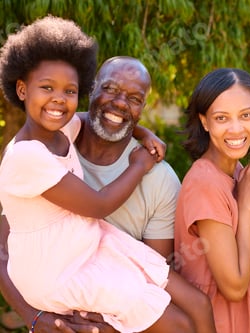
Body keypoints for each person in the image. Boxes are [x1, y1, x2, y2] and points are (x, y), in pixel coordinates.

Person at [0, 16, 215, 333]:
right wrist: (139, 165)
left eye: (68, 91)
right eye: (47, 88)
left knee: (198, 304)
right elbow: (99, 206)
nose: (58, 99)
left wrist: (142, 133)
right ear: (22, 88)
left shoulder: (62, 130)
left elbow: (90, 117)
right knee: (180, 325)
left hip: (92, 246)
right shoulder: (28, 156)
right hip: (58, 273)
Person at [174, 68, 250, 333]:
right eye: (222, 118)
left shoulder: (235, 171)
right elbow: (234, 287)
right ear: (204, 121)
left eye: (246, 115)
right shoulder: (205, 183)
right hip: (217, 323)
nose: (236, 129)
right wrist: (246, 205)